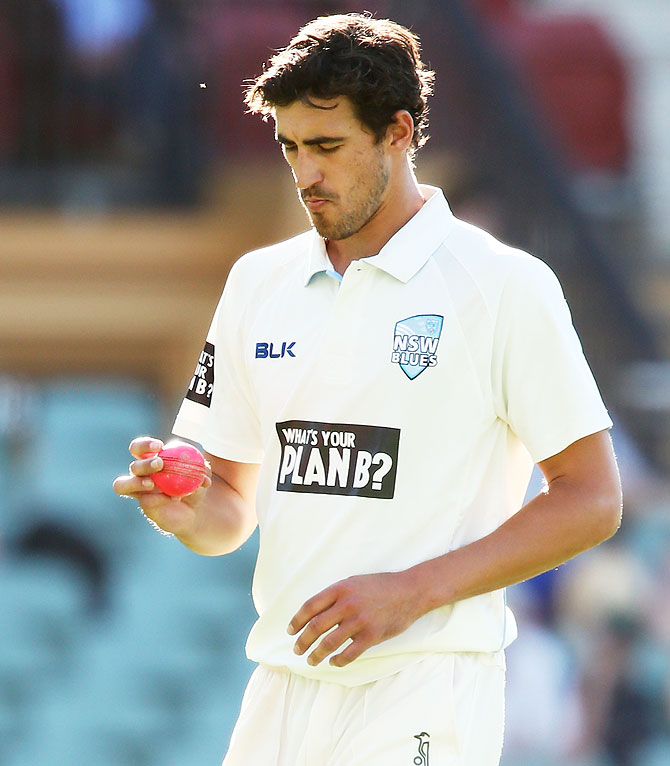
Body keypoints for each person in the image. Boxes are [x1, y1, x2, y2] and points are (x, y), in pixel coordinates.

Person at [113, 13, 622, 765]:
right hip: (282, 687)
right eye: (289, 147)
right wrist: (184, 509)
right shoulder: (260, 282)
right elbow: (229, 512)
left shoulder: (504, 286)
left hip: (423, 684)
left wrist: (411, 591)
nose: (305, 173)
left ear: (397, 132)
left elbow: (592, 498)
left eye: (327, 147)